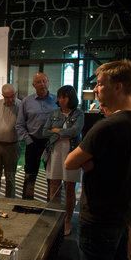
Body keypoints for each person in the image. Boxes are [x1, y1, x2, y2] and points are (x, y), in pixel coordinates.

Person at [65, 59, 131, 260]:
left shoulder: (107, 126)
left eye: (101, 84)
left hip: (98, 219)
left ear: (118, 86)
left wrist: (90, 163)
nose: (95, 89)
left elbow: (71, 161)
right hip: (120, 217)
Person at [42, 85, 84, 235]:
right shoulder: (54, 113)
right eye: (59, 97)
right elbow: (45, 131)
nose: (60, 100)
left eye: (63, 97)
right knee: (54, 186)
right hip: (55, 153)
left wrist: (57, 131)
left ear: (70, 98)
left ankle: (67, 220)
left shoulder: (79, 113)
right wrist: (62, 133)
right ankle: (55, 218)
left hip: (72, 154)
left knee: (70, 188)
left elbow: (75, 131)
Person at [16, 72, 57, 199]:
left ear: (48, 82)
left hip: (51, 143)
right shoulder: (26, 102)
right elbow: (19, 124)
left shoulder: (57, 100)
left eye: (44, 81)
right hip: (33, 142)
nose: (42, 84)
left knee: (52, 177)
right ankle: (27, 205)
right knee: (29, 176)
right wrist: (28, 141)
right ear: (34, 85)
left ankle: (51, 206)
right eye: (38, 82)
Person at [0, 84, 20, 198]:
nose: (10, 99)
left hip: (12, 146)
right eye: (7, 97)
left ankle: (9, 201)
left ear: (15, 94)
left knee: (10, 176)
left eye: (12, 96)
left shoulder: (21, 106)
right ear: (2, 96)